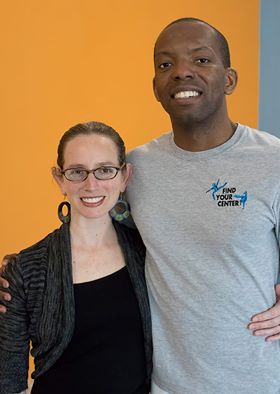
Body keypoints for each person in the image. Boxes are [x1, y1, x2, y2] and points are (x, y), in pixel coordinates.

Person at [1, 17, 280, 394]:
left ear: (229, 79)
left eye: (201, 60)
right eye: (166, 65)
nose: (182, 72)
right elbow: (94, 210)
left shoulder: (272, 161)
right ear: (155, 88)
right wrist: (18, 271)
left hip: (259, 382)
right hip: (164, 386)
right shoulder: (140, 167)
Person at [0, 121, 152, 394]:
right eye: (77, 172)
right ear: (59, 179)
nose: (91, 184)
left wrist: (256, 302)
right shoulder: (23, 270)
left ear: (124, 176)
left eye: (105, 170)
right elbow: (8, 380)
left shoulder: (148, 252)